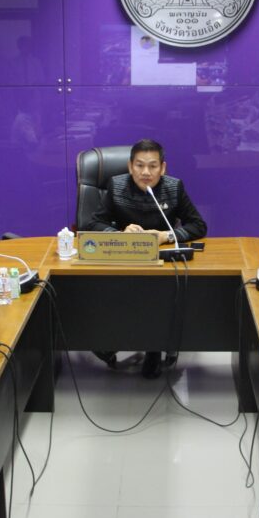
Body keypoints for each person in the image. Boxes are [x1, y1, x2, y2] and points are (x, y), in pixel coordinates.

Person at [85, 139, 208, 378]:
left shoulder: (173, 187)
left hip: (161, 263)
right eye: (139, 165)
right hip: (125, 259)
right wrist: (120, 234)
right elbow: (94, 223)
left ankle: (154, 348)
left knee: (157, 292)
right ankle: (112, 339)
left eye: (152, 166)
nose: (145, 172)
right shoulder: (116, 186)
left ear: (163, 168)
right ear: (130, 167)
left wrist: (166, 236)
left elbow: (198, 225)